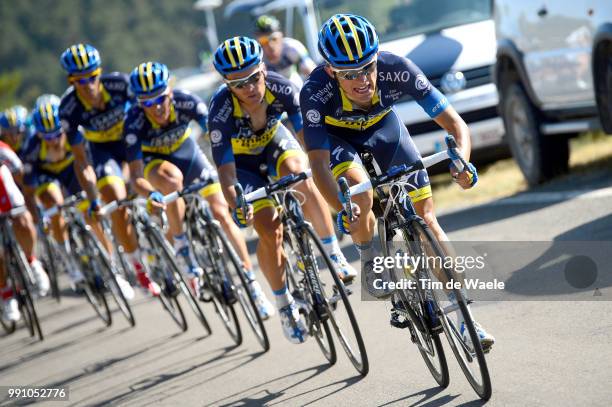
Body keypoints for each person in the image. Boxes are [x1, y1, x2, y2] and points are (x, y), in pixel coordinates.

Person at [300, 14, 494, 351]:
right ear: (331, 72)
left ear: (378, 59)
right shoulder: (315, 92)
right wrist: (340, 207)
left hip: (384, 130)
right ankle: (369, 254)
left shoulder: (398, 68)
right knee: (359, 196)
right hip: (339, 140)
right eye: (349, 74)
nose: (362, 80)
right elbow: (316, 163)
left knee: (427, 220)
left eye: (367, 68)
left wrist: (462, 159)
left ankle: (465, 320)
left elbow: (455, 124)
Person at [210, 36, 357, 344]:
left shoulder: (283, 87)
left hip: (277, 145)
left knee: (299, 175)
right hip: (243, 167)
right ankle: (285, 303)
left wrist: (321, 170)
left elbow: (307, 138)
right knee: (269, 230)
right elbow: (225, 171)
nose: (249, 88)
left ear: (263, 68)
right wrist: (236, 201)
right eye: (238, 84)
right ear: (227, 84)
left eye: (253, 77)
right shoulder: (220, 110)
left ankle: (333, 253)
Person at [123, 61, 274, 318]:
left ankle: (251, 284)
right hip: (155, 165)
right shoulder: (134, 121)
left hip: (188, 155)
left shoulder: (187, 102)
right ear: (139, 104)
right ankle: (182, 247)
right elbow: (135, 176)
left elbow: (216, 135)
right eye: (148, 103)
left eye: (160, 99)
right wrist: (150, 193)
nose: (156, 107)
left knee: (222, 213)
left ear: (169, 92)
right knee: (172, 180)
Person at [58, 43, 159, 296]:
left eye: (92, 77)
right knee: (115, 196)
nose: (88, 85)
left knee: (157, 179)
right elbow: (81, 161)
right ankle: (138, 268)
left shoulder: (119, 84)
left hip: (131, 141)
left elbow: (147, 112)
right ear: (71, 81)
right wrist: (93, 199)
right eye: (80, 81)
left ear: (99, 72)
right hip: (103, 151)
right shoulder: (69, 108)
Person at [20, 98, 134, 297]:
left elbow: (88, 167)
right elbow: (29, 192)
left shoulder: (76, 136)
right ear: (38, 134)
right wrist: (39, 218)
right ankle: (69, 261)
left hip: (72, 173)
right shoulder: (32, 149)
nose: (54, 140)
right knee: (54, 203)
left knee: (91, 215)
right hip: (47, 178)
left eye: (57, 134)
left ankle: (113, 270)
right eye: (47, 137)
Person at [0, 139, 50, 324]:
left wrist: (32, 201)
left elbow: (20, 173)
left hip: (2, 186)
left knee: (22, 218)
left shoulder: (1, 149)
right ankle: (6, 294)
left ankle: (32, 261)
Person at [254, 15, 316, 87]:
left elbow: (312, 72)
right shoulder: (258, 58)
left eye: (274, 39)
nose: (270, 45)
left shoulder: (292, 47)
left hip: (295, 84)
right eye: (264, 41)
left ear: (281, 36)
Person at [0, 105, 33, 181]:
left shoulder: (30, 142)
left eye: (18, 132)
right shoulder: (1, 148)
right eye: (10, 133)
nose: (14, 137)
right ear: (3, 133)